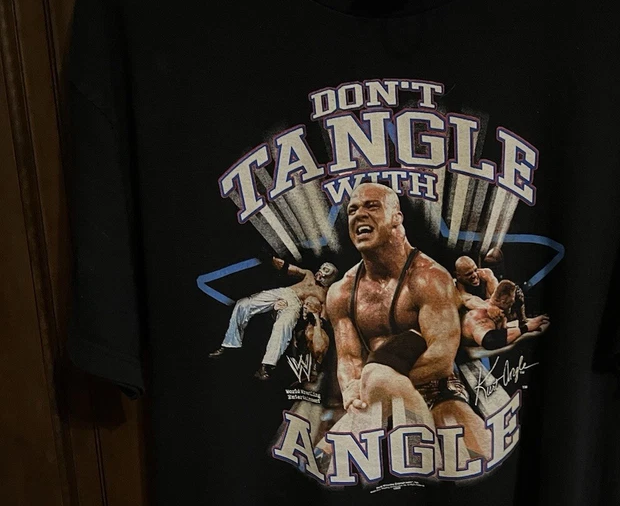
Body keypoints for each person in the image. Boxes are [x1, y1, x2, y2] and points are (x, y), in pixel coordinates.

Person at [326, 182, 490, 458]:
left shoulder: (429, 277)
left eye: (371, 206)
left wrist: (384, 382)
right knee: (328, 460)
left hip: (438, 391)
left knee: (481, 457)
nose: (359, 214)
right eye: (352, 210)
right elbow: (349, 359)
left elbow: (441, 357)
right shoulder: (341, 292)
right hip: (373, 393)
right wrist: (353, 389)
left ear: (396, 217)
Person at [209, 258, 338, 380]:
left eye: (326, 270)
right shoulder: (309, 274)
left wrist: (313, 316)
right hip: (283, 292)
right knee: (243, 304)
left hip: (294, 304)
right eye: (322, 268)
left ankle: (267, 366)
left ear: (330, 277)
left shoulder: (324, 296)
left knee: (283, 325)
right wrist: (271, 258)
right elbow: (290, 268)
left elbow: (323, 319)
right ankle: (230, 346)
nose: (321, 271)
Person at [460, 277, 549, 351]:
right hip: (463, 355)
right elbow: (489, 341)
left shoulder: (498, 310)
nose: (513, 303)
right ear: (503, 301)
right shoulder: (480, 317)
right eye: (512, 301)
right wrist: (526, 328)